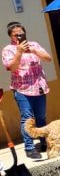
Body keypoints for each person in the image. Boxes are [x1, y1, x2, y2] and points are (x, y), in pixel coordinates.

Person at [2, 22, 52, 159]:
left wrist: (35, 51)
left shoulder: (34, 45)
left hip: (39, 87)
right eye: (15, 35)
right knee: (27, 118)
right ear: (10, 36)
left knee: (41, 117)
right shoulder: (8, 50)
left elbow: (48, 59)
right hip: (22, 89)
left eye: (21, 33)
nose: (19, 36)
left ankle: (44, 142)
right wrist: (19, 52)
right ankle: (29, 148)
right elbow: (11, 68)